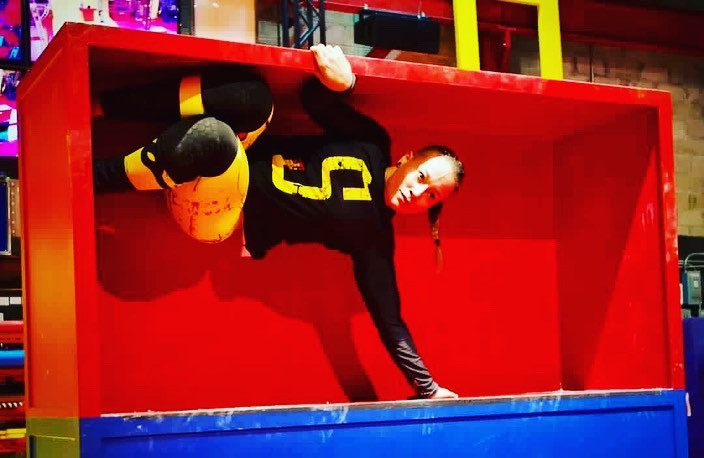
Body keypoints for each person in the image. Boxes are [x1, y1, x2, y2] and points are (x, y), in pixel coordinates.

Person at [92, 44, 464, 400]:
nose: (418, 193)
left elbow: (389, 320)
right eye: (422, 177)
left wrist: (428, 387)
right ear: (408, 160)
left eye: (432, 196)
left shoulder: (374, 237)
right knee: (253, 96)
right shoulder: (372, 142)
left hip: (220, 212)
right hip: (237, 152)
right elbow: (315, 100)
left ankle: (91, 177)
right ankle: (100, 105)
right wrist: (345, 84)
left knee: (216, 141)